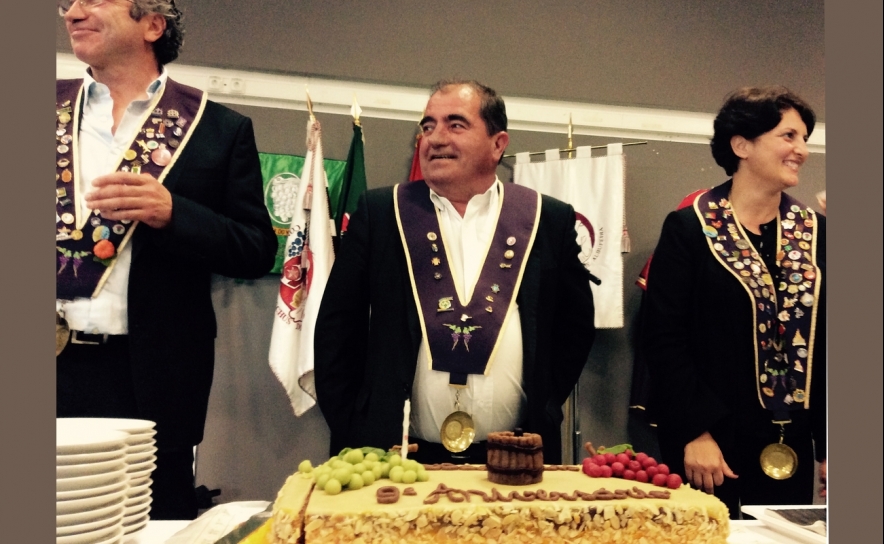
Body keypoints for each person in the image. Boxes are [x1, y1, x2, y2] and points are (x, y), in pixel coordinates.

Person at [56, 0, 277, 519]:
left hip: (153, 373)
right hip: (51, 363)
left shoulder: (218, 129)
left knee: (155, 522)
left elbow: (255, 248)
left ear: (153, 24)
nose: (72, 10)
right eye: (68, 2)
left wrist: (175, 213)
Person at [314, 80, 595, 465]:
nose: (435, 138)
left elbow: (574, 329)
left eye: (455, 124)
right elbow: (336, 329)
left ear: (498, 144)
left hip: (514, 457)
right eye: (428, 126)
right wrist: (352, 428)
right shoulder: (383, 213)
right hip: (396, 457)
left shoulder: (547, 219)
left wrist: (543, 403)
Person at [641, 86, 826, 518]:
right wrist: (695, 431)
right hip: (709, 446)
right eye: (788, 136)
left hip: (793, 443)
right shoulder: (689, 228)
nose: (802, 150)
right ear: (741, 145)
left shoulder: (818, 233)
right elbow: (664, 339)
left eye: (804, 139)